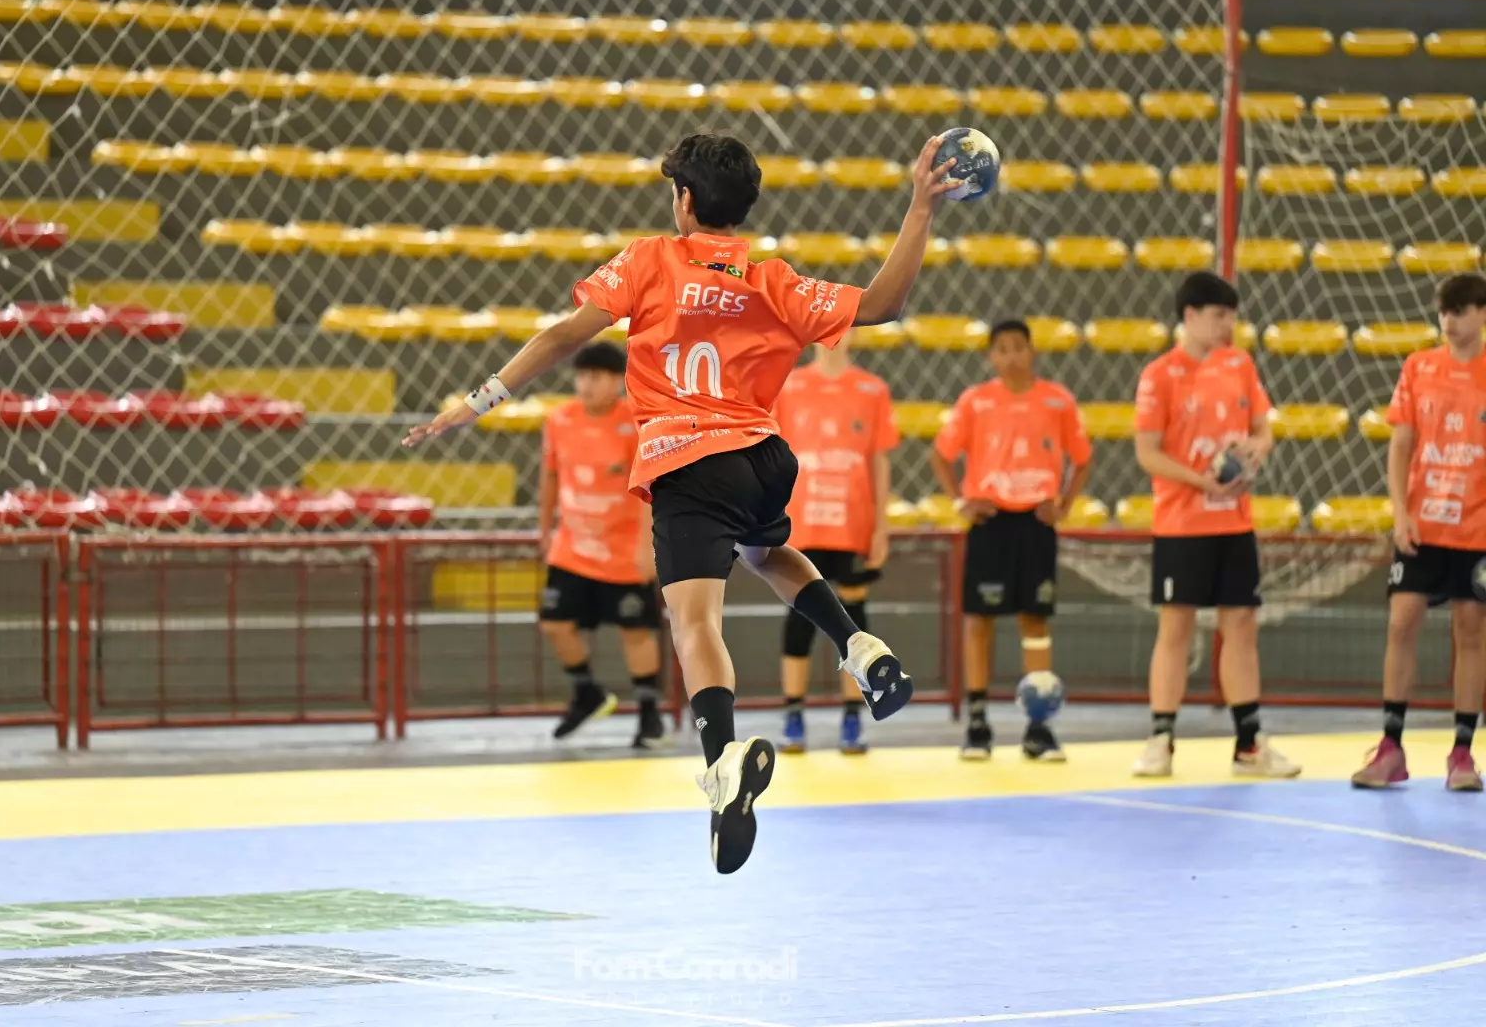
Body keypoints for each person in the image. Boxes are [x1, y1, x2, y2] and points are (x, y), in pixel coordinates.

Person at [405, 131, 965, 873]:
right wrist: (921, 208)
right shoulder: (771, 279)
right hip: (763, 458)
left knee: (694, 623)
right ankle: (859, 647)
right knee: (766, 550)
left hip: (687, 463)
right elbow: (884, 304)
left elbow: (564, 336)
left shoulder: (649, 260)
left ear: (685, 201)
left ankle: (722, 760)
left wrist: (474, 403)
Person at [1129, 271, 1300, 779]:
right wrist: (1202, 481)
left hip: (1234, 522)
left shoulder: (1239, 364)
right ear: (1191, 316)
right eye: (1219, 315)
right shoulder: (1160, 374)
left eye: (1231, 316)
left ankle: (1249, 745)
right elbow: (1148, 453)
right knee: (1176, 626)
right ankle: (1161, 739)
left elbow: (1263, 429)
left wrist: (1256, 449)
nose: (1228, 325)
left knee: (1241, 625)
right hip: (1182, 523)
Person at [929, 318, 1091, 762]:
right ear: (991, 357)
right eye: (1002, 348)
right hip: (991, 521)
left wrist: (1064, 505)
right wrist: (961, 500)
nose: (1012, 355)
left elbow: (1082, 458)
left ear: (1032, 351)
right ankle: (978, 723)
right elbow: (940, 455)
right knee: (979, 620)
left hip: (1036, 521)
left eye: (1019, 347)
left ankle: (1038, 726)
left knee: (1034, 620)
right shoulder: (975, 401)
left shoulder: (1057, 400)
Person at [1352, 272, 1486, 792]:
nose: (1450, 321)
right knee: (1401, 621)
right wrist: (1400, 511)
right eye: (1444, 311)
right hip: (1423, 522)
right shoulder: (1418, 367)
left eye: (1461, 310)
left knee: (1470, 630)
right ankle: (1391, 747)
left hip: (1476, 526)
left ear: (1482, 313)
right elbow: (1401, 445)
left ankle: (1462, 753)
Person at [770, 330, 899, 755]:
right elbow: (772, 454)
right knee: (799, 618)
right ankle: (793, 715)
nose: (834, 337)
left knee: (853, 619)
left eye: (842, 329)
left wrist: (880, 526)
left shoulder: (872, 390)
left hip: (851, 523)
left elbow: (879, 460)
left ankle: (852, 716)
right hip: (801, 524)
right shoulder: (788, 386)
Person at [537, 341, 666, 750]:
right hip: (573, 546)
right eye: (581, 376)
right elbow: (550, 476)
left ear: (616, 382)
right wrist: (544, 528)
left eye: (595, 377)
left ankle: (649, 715)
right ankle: (586, 692)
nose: (586, 385)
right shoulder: (560, 420)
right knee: (554, 623)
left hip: (622, 548)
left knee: (635, 630)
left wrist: (646, 547)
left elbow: (649, 487)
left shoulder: (636, 422)